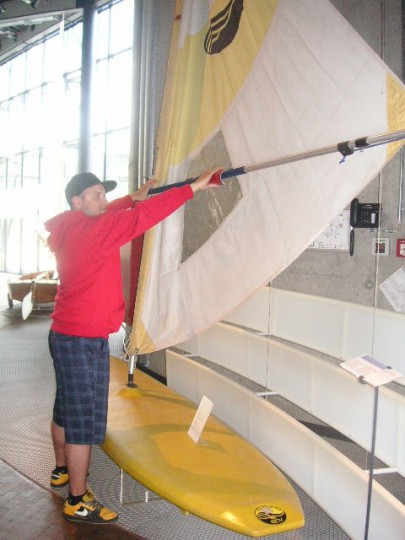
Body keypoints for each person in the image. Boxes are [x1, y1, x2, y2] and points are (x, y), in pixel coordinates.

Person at [45, 170, 220, 524]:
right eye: (96, 195)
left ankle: (61, 470)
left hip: (66, 334)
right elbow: (145, 216)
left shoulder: (70, 226)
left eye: (104, 194)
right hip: (82, 339)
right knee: (82, 422)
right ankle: (77, 500)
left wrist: (131, 197)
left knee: (66, 409)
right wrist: (193, 188)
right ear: (78, 202)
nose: (104, 201)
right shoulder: (97, 230)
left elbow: (114, 212)